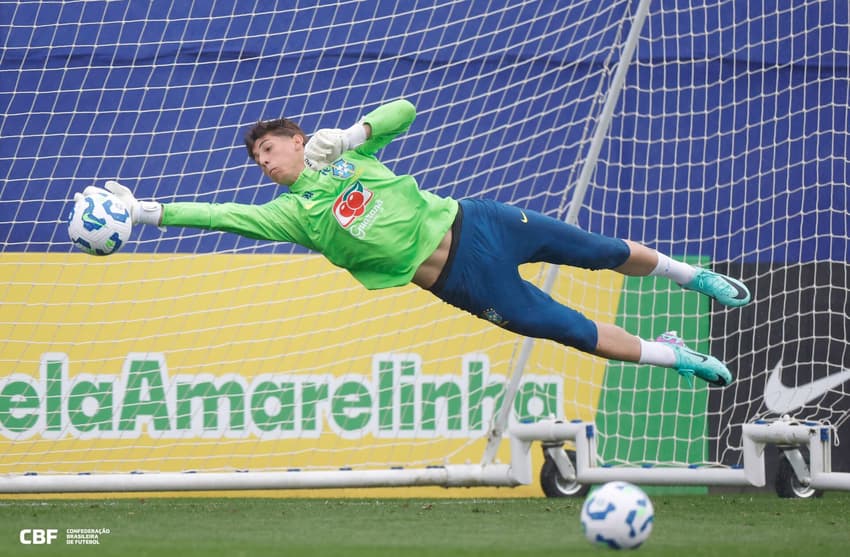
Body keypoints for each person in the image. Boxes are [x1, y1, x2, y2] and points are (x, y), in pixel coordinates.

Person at [76, 99, 751, 387]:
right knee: (565, 328)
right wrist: (146, 211)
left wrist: (359, 133)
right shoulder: (293, 216)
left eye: (269, 147)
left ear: (296, 136)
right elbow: (221, 216)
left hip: (476, 222)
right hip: (462, 283)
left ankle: (690, 275)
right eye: (258, 159)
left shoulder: (340, 153)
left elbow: (406, 111)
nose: (265, 161)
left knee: (597, 249)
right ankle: (675, 355)